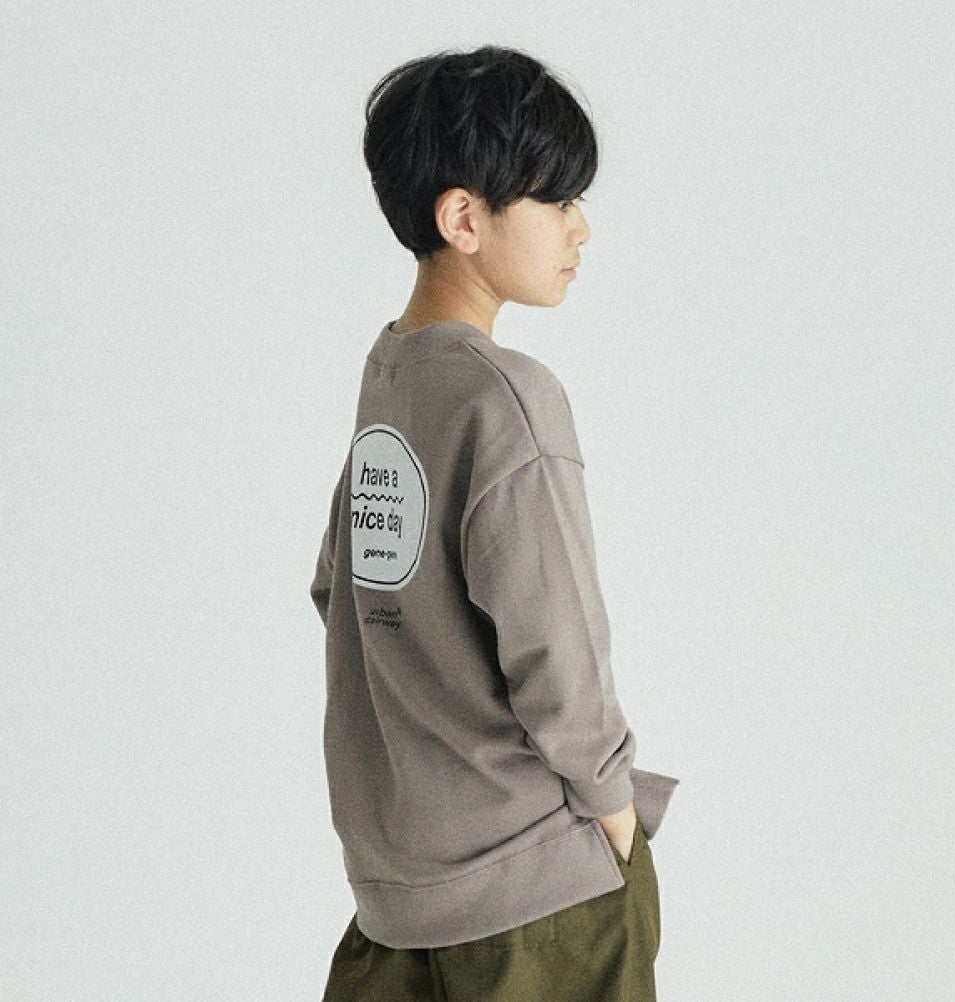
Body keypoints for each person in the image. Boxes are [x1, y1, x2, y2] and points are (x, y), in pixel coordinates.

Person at [309, 43, 680, 1001]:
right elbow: (557, 644)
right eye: (557, 199)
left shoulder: (391, 378)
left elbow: (338, 590)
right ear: (464, 218)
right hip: (537, 899)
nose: (580, 228)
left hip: (400, 898)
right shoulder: (506, 399)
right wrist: (613, 811)